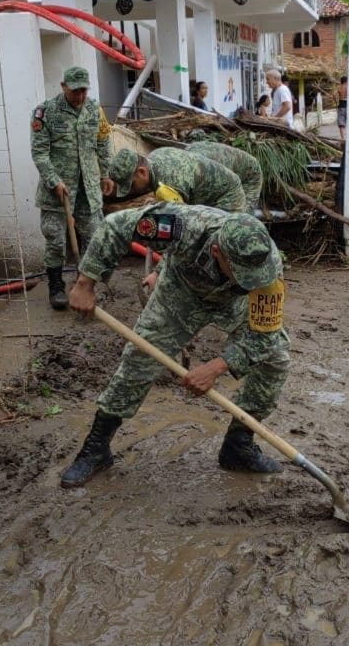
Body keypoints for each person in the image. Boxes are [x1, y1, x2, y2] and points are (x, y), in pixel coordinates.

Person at [59, 204, 290, 487]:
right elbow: (116, 224)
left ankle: (238, 446)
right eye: (242, 273)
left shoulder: (266, 269)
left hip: (235, 303)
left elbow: (265, 334)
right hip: (179, 294)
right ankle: (96, 449)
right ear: (218, 252)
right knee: (139, 360)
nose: (251, 280)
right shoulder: (185, 226)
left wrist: (218, 367)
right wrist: (85, 283)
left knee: (275, 358)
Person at [30, 66, 115, 310]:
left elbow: (102, 143)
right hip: (57, 191)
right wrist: (53, 180)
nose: (79, 96)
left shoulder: (94, 109)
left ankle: (84, 285)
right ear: (63, 86)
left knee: (94, 237)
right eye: (75, 91)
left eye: (83, 91)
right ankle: (56, 287)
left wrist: (106, 174)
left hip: (88, 189)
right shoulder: (45, 112)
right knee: (55, 240)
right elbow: (39, 152)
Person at [106, 147, 247, 214]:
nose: (132, 191)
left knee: (219, 241)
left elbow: (186, 223)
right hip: (206, 194)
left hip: (227, 196)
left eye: (132, 185)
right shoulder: (155, 156)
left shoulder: (169, 184)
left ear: (142, 172)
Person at [185, 139, 263, 213]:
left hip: (250, 174)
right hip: (206, 153)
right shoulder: (185, 161)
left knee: (240, 216)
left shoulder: (210, 170)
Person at [336, 76, 348, 140]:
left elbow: (333, 95)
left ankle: (343, 138)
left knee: (341, 123)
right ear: (346, 81)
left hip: (341, 105)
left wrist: (336, 102)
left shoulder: (340, 87)